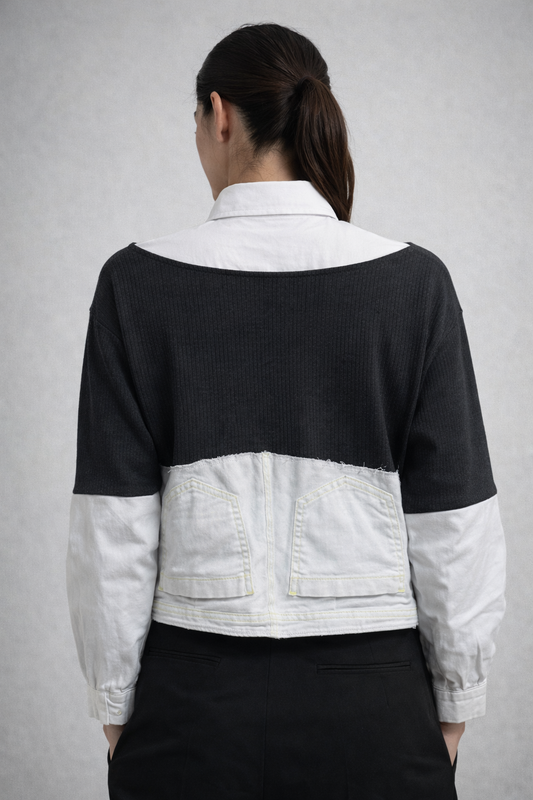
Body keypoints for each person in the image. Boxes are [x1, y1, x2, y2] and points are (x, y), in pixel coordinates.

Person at [66, 22, 506, 800]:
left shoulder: (134, 284)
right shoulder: (413, 284)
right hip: (375, 703)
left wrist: (116, 709)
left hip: (192, 699)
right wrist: (453, 706)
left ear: (217, 114)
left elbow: (113, 525)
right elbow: (454, 518)